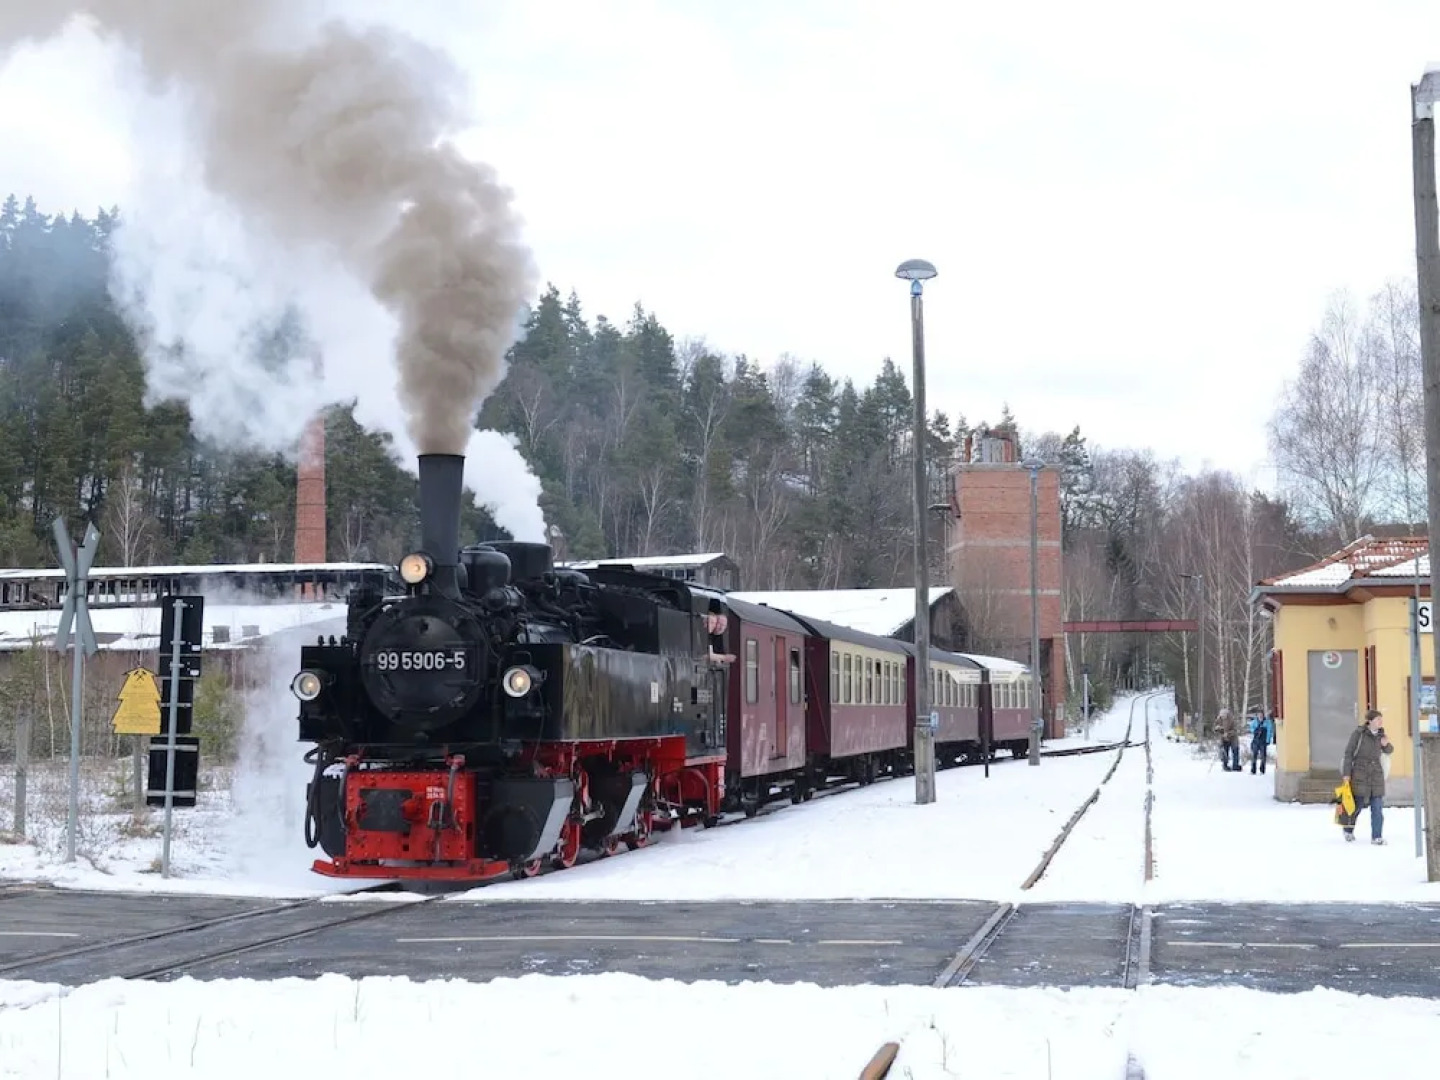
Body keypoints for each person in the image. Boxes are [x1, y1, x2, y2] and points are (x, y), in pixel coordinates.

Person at [1341, 708, 1394, 844]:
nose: (1380, 722)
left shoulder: (1381, 735)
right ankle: (1348, 830)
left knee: (1377, 807)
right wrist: (1346, 774)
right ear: (1370, 721)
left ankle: (1377, 836)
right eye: (1377, 719)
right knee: (1356, 806)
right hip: (1360, 773)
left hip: (1376, 774)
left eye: (1381, 719)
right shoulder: (1358, 734)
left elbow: (1389, 750)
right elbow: (1348, 754)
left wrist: (1386, 744)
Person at [704, 600, 737, 665]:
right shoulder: (702, 635)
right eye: (719, 624)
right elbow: (704, 655)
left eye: (724, 626)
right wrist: (724, 658)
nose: (721, 628)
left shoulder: (710, 637)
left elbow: (711, 654)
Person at [1217, 707, 1240, 772]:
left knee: (1235, 751)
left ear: (1227, 714)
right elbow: (1216, 727)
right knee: (1224, 751)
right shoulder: (1219, 719)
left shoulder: (1232, 719)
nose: (1223, 717)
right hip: (1223, 738)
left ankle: (1235, 765)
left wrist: (1228, 733)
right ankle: (1225, 765)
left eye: (1224, 716)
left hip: (1233, 738)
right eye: (1221, 716)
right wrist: (1218, 729)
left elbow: (1235, 730)